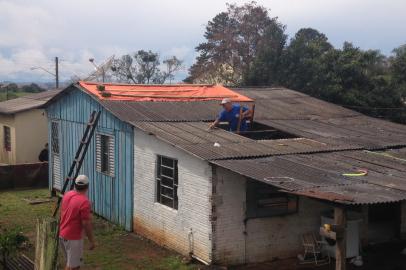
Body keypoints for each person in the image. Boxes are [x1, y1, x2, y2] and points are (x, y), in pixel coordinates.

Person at [59, 175, 95, 270]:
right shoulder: (84, 201)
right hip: (73, 238)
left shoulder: (68, 194)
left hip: (62, 234)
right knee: (73, 267)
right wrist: (91, 241)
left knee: (72, 264)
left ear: (75, 185)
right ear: (87, 187)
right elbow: (86, 224)